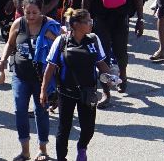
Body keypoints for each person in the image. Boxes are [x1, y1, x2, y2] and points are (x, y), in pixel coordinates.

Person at [82, 0, 145, 108]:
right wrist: (83, 19)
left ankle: (122, 76)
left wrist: (140, 19)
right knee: (102, 56)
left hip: (121, 16)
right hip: (100, 17)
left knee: (120, 52)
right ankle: (106, 93)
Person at [41, 9, 112, 161]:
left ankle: (82, 148)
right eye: (87, 22)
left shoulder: (93, 39)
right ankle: (61, 158)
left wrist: (112, 77)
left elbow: (101, 64)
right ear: (75, 24)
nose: (90, 24)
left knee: (88, 129)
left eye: (91, 21)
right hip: (66, 93)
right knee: (63, 129)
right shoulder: (61, 41)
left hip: (88, 92)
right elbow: (50, 67)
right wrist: (43, 91)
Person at [0, 0, 59, 161]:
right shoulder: (18, 24)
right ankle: (25, 151)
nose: (31, 16)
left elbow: (63, 45)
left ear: (41, 10)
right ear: (23, 11)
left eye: (35, 12)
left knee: (41, 112)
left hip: (42, 78)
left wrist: (52, 38)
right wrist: (3, 60)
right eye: (28, 12)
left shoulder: (50, 25)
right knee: (20, 111)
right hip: (20, 75)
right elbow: (10, 44)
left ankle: (43, 150)